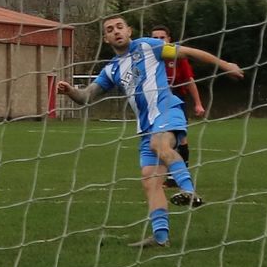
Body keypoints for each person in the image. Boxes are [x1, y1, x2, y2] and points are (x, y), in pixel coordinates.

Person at [61, 16, 244, 248]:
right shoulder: (112, 70)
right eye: (110, 30)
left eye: (119, 27)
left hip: (167, 110)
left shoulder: (149, 46)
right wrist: (69, 91)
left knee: (161, 145)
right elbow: (86, 96)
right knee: (150, 180)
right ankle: (160, 238)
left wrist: (226, 65)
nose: (116, 31)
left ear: (129, 30)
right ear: (106, 39)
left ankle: (189, 190)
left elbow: (188, 52)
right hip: (146, 126)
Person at [149, 25, 204, 205]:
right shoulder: (149, 57)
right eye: (155, 37)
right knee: (159, 142)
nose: (159, 41)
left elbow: (189, 80)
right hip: (155, 102)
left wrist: (197, 103)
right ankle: (173, 177)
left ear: (169, 39)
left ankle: (179, 179)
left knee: (181, 140)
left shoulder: (176, 55)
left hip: (175, 99)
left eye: (162, 37)